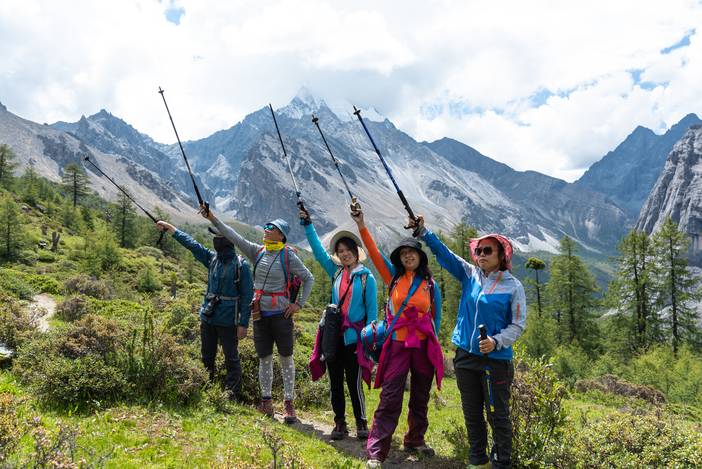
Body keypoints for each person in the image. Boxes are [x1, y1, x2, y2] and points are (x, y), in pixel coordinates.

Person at [409, 215, 526, 469]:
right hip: (465, 357)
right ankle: (478, 462)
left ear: (501, 256)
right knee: (472, 415)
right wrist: (423, 232)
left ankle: (501, 463)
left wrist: (496, 341)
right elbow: (445, 254)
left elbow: (517, 325)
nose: (481, 255)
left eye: (487, 251)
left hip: (496, 361)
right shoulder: (470, 274)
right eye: (479, 251)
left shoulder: (514, 286)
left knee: (498, 416)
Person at [199, 207, 313, 424]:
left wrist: (298, 304)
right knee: (264, 359)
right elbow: (232, 235)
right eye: (266, 226)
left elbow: (309, 278)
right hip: (259, 314)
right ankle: (266, 402)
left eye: (271, 227)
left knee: (286, 358)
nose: (266, 229)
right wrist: (212, 217)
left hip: (281, 315)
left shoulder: (288, 255)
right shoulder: (257, 251)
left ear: (281, 234)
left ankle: (289, 404)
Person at [350, 205, 443, 468]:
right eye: (403, 253)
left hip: (423, 345)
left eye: (411, 252)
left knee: (421, 395)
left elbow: (436, 318)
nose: (407, 256)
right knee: (391, 396)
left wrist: (435, 344)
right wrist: (361, 224)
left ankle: (415, 439)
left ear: (420, 256)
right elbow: (374, 253)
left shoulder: (430, 285)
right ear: (399, 259)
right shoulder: (392, 277)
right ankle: (377, 451)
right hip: (397, 344)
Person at [300, 205, 377, 441]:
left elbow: (372, 313)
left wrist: (369, 340)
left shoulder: (367, 279)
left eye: (348, 250)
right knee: (335, 382)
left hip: (355, 338)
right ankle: (339, 423)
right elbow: (317, 251)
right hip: (333, 336)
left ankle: (361, 421)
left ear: (356, 251)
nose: (344, 254)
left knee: (354, 382)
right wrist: (308, 225)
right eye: (340, 251)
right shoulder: (335, 272)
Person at [156, 221, 253, 401]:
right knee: (206, 355)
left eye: (219, 236)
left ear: (229, 239)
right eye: (215, 236)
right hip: (208, 317)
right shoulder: (212, 259)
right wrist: (172, 229)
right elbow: (193, 245)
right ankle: (205, 388)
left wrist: (243, 324)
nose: (216, 239)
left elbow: (248, 297)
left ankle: (232, 395)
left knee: (231, 358)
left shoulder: (242, 266)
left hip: (229, 320)